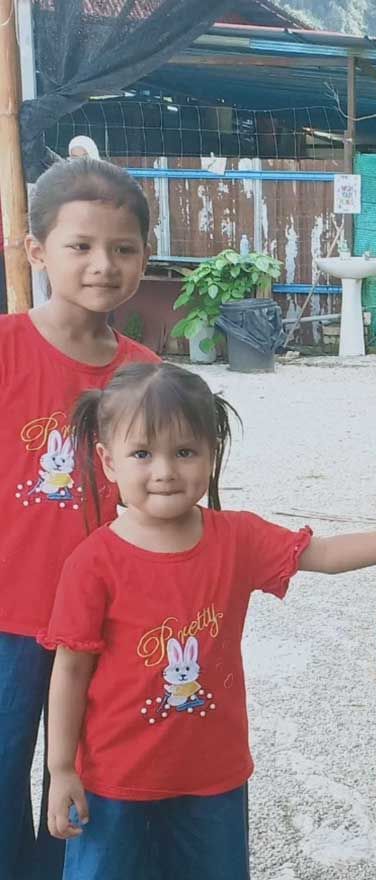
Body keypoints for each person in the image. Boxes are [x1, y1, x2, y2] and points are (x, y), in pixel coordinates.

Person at [39, 361, 376, 880]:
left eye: (185, 452)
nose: (165, 470)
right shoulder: (92, 563)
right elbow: (70, 671)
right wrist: (60, 769)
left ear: (211, 455)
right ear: (107, 461)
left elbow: (325, 554)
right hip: (114, 782)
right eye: (142, 453)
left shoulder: (236, 539)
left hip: (213, 777)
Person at [0, 158, 158, 880]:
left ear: (144, 257)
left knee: (92, 780)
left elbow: (163, 492)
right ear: (36, 251)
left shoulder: (145, 374)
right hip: (9, 618)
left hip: (108, 623)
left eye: (123, 249)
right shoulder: (6, 350)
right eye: (81, 246)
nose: (104, 265)